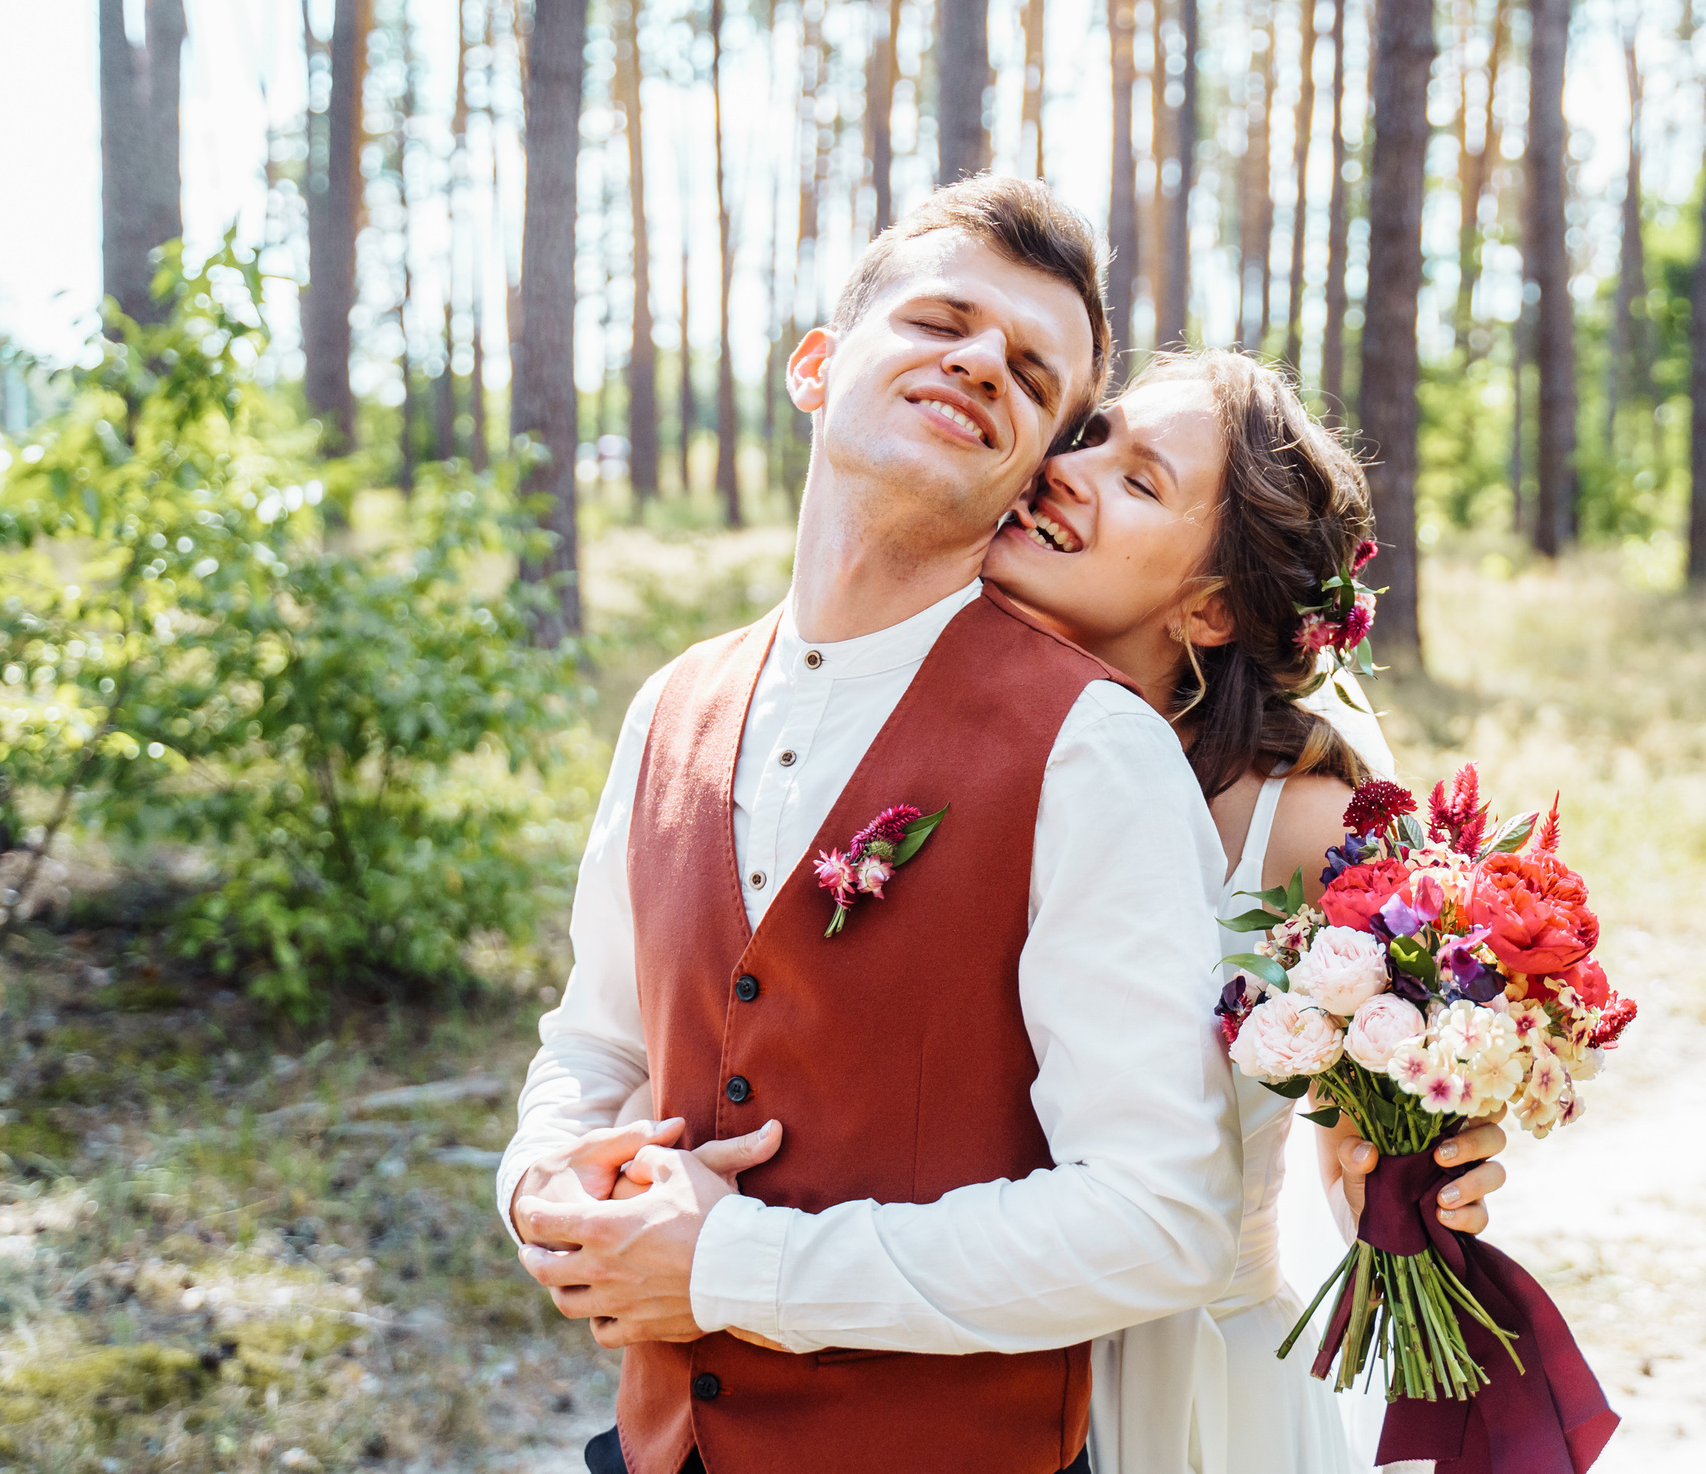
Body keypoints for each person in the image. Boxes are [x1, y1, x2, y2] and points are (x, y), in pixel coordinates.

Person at [497, 177, 1247, 1474]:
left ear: (1029, 466)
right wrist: (542, 1175)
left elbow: (1162, 1212)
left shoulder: (1093, 749)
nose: (978, 364)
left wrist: (741, 1265)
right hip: (659, 1440)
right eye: (939, 319)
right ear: (817, 364)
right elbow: (597, 1033)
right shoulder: (670, 702)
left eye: (1030, 370)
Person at [980, 349, 1509, 1473]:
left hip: (1194, 1390)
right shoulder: (964, 733)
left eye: (1140, 481)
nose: (1068, 472)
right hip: (965, 1344)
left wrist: (1409, 1173)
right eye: (1092, 437)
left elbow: (1349, 1117)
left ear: (1210, 608)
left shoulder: (1305, 824)